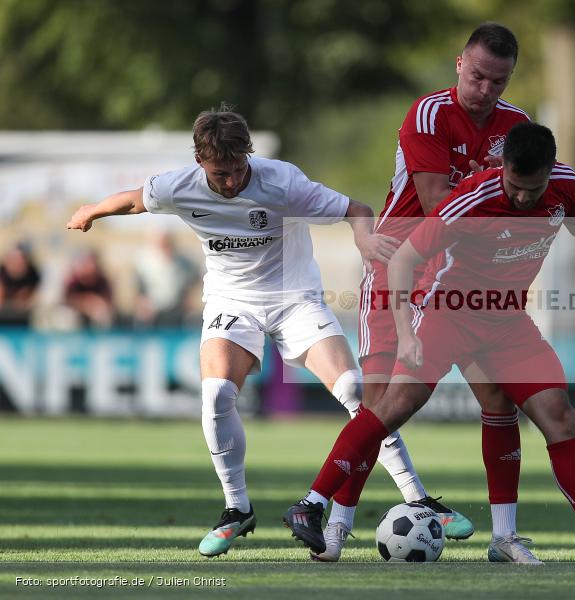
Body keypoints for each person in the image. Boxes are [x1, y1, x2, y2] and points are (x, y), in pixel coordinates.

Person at [67, 104, 447, 560]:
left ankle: (417, 497)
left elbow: (357, 208)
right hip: (232, 303)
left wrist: (363, 237)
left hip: (295, 298)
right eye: (219, 173)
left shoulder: (282, 181)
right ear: (199, 162)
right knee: (216, 397)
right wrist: (91, 210)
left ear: (249, 154)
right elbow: (132, 200)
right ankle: (236, 509)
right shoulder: (179, 186)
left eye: (237, 170)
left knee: (355, 391)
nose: (230, 182)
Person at [285, 122, 575, 563]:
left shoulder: (566, 187)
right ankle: (311, 505)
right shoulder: (472, 198)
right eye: (515, 185)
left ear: (551, 170)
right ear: (502, 167)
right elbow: (406, 259)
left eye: (534, 188)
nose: (523, 197)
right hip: (446, 313)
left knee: (558, 416)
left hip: (508, 322)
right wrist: (407, 331)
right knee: (391, 409)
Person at [344, 21, 531, 562]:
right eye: (478, 76)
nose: (486, 90)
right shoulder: (428, 114)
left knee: (497, 398)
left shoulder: (517, 125)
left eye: (499, 81)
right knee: (379, 399)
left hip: (465, 273)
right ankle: (333, 522)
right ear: (459, 64)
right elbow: (436, 204)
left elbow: (531, 194)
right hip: (401, 260)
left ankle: (504, 537)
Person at [133, 231, 198, 327]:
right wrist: (143, 304)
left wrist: (188, 299)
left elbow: (193, 280)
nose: (164, 248)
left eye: (166, 244)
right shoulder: (143, 263)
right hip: (152, 310)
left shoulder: (183, 262)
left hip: (177, 310)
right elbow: (139, 289)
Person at [63, 251, 116, 329]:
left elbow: (109, 302)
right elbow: (66, 300)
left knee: (102, 315)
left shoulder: (102, 281)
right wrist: (85, 303)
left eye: (89, 263)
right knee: (66, 316)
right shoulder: (74, 281)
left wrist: (96, 304)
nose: (87, 266)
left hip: (96, 312)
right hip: (76, 311)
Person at [0, 242, 41, 326]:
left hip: (24, 313)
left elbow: (35, 294)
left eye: (19, 259)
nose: (16, 263)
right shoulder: (2, 272)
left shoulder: (33, 273)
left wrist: (27, 302)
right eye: (13, 259)